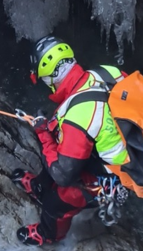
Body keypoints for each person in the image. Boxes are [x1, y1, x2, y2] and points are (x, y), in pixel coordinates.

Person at [12, 35, 130, 246]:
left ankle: (49, 234)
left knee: (55, 202)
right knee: (59, 146)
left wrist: (43, 134)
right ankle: (39, 186)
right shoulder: (105, 72)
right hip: (126, 148)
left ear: (49, 78)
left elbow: (62, 175)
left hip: (114, 179)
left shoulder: (78, 117)